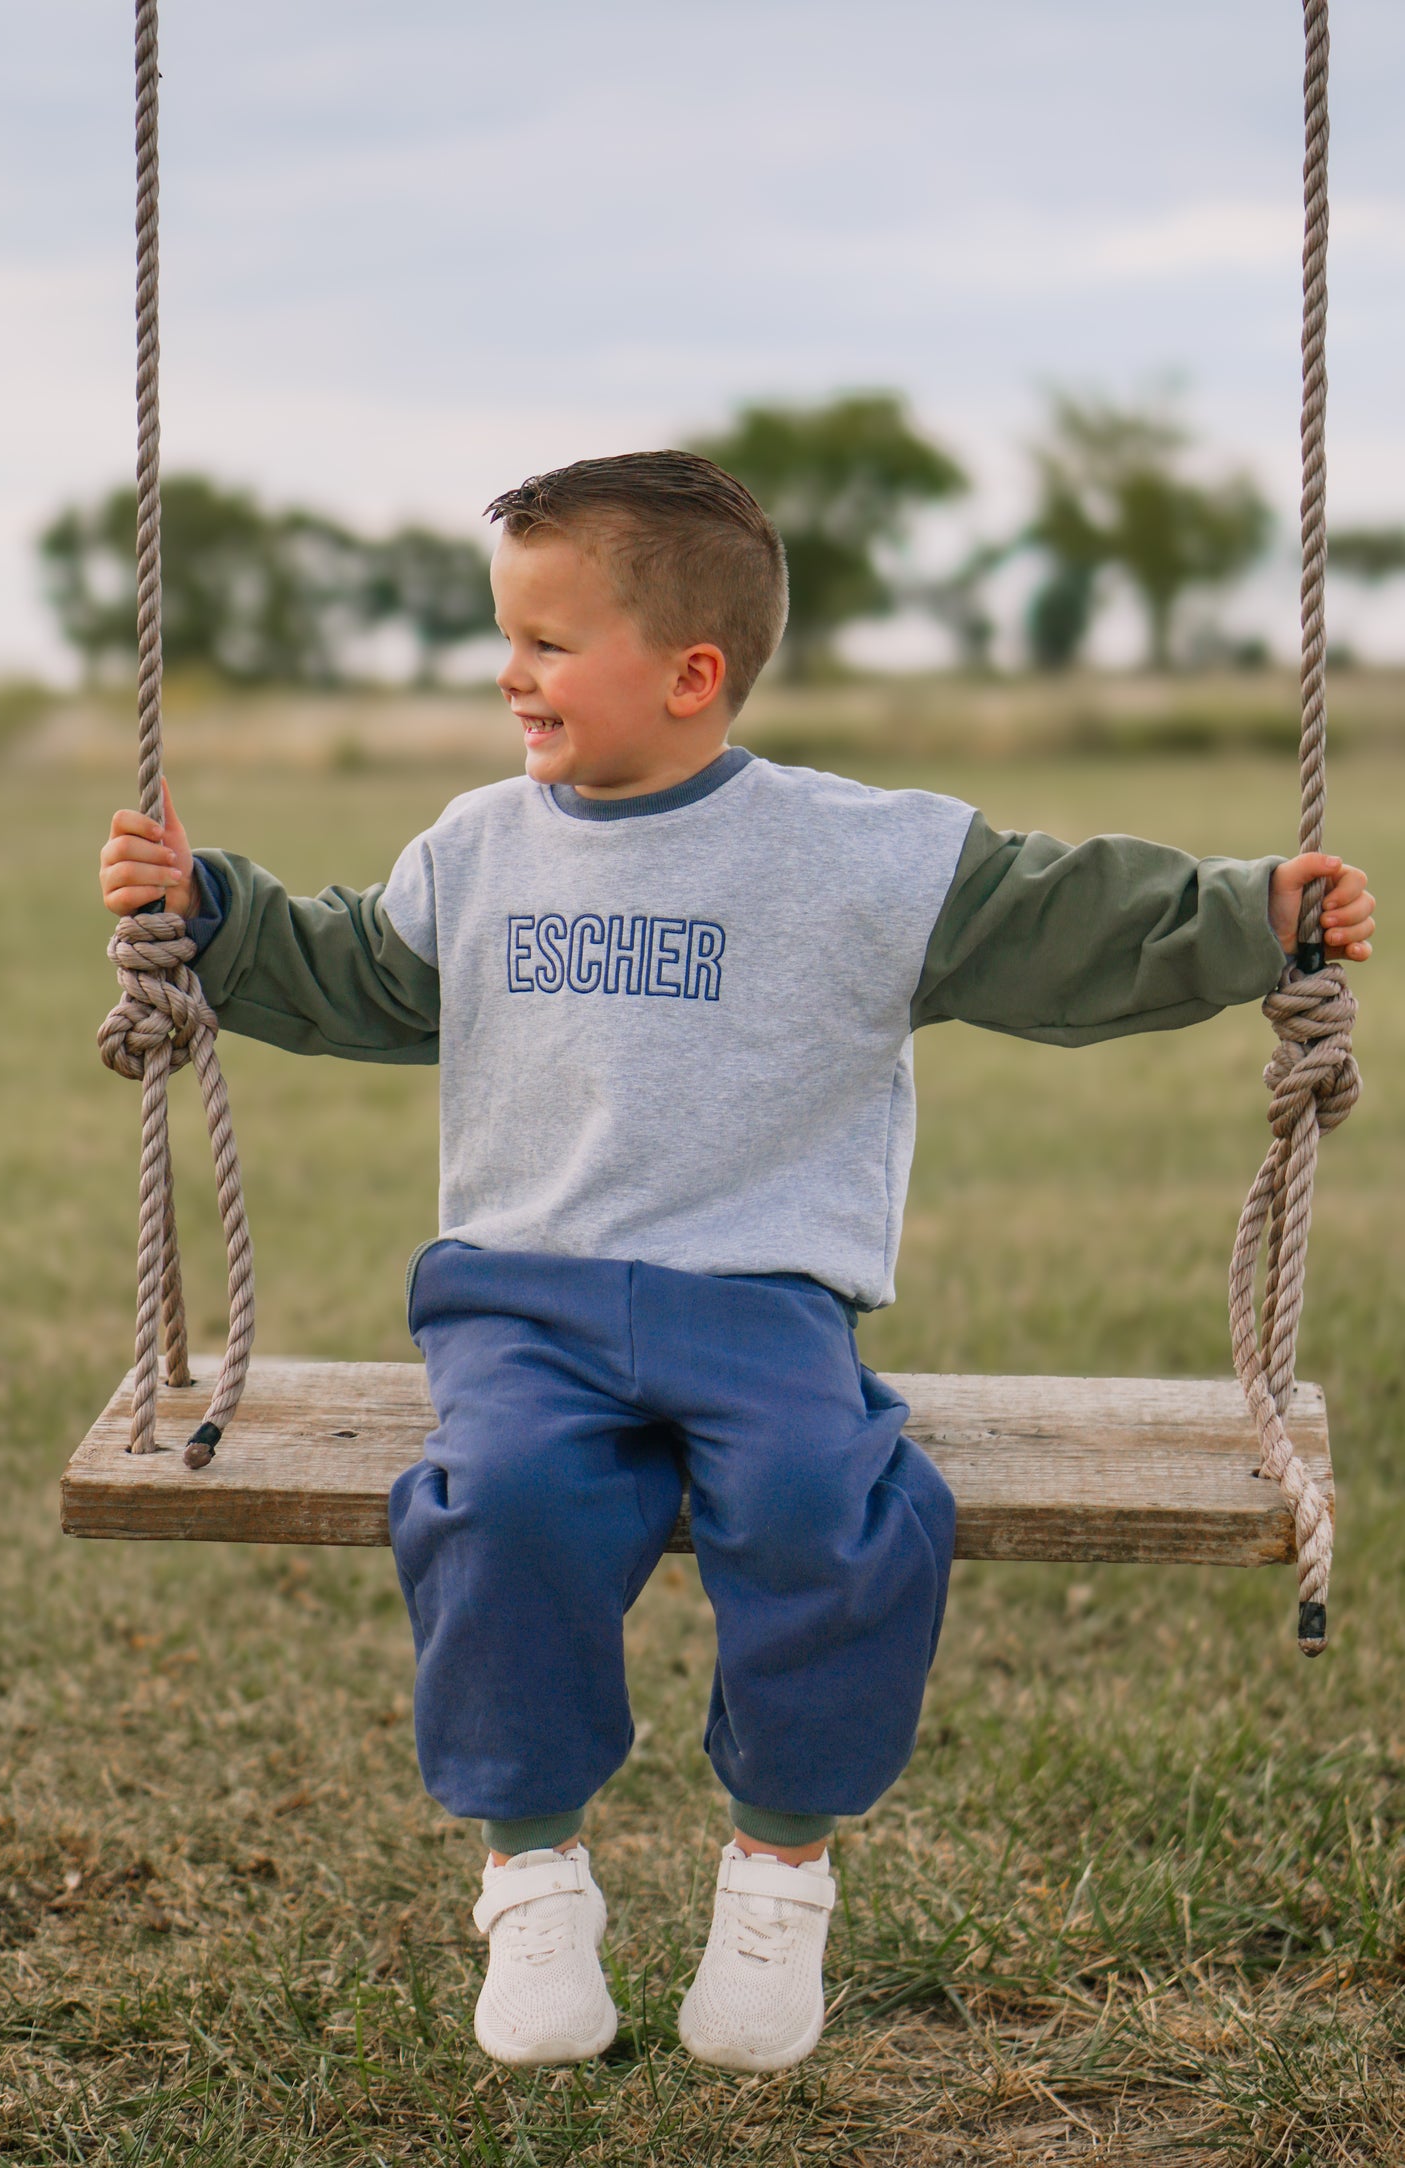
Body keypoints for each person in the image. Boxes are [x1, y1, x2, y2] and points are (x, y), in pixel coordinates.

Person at [99, 451, 1375, 2075]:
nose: (510, 671)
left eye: (550, 642)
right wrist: (203, 909)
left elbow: (1062, 917)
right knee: (499, 1505)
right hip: (524, 1303)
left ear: (693, 675)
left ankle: (777, 1873)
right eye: (509, 634)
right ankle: (533, 1874)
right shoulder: (477, 847)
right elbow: (354, 969)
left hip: (763, 1303)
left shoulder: (854, 854)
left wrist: (1249, 914)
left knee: (829, 1511)